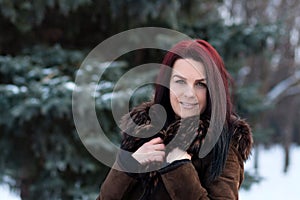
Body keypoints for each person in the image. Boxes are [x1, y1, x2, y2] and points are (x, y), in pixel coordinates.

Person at [96, 39, 253, 200]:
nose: (189, 93)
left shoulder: (223, 141)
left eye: (200, 84)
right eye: (180, 82)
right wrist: (128, 165)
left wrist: (179, 169)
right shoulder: (142, 130)